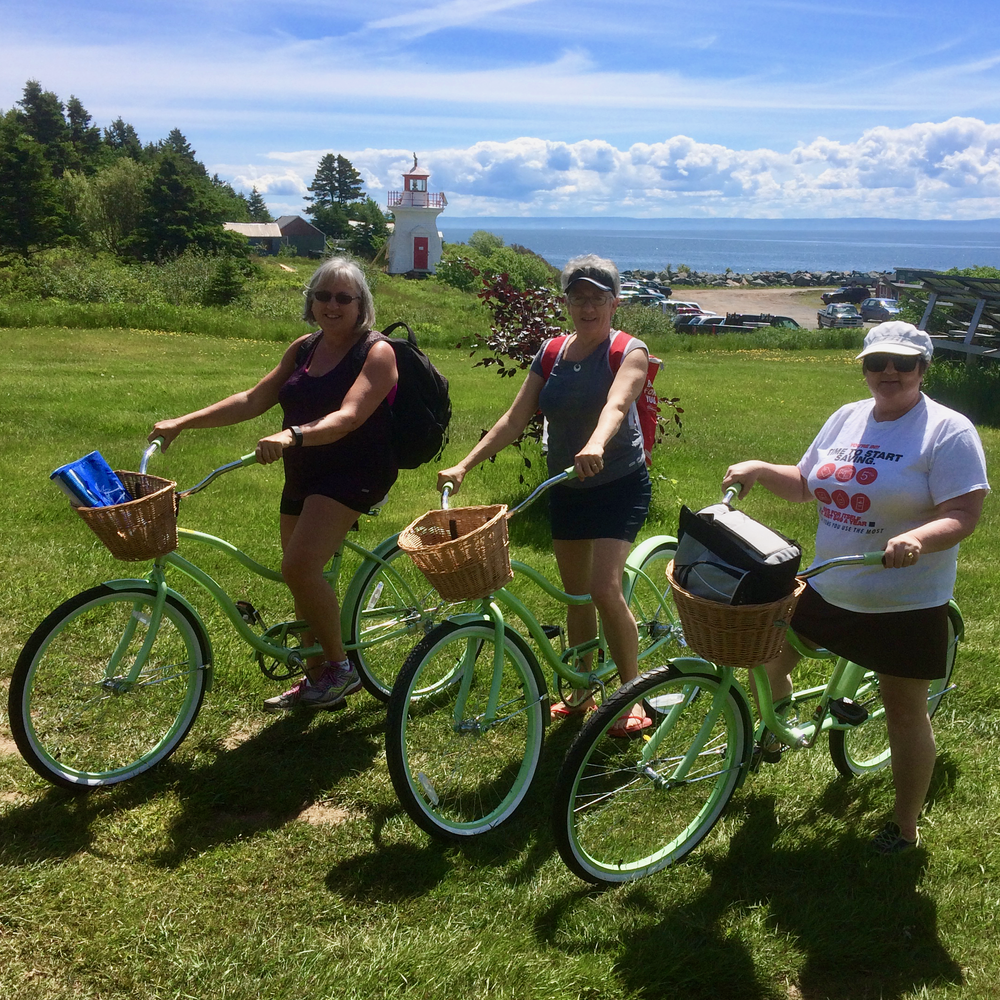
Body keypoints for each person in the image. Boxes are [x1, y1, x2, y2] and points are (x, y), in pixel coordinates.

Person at [723, 321, 989, 854]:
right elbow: (804, 483)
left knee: (903, 710)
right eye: (877, 362)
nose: (889, 372)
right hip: (829, 583)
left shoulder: (947, 430)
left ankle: (905, 827)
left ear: (922, 369)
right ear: (864, 367)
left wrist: (916, 537)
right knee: (770, 656)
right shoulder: (847, 417)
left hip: (904, 601)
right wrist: (757, 469)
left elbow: (964, 512)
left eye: (903, 363)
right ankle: (778, 730)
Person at [149, 256, 398, 712]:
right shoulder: (304, 348)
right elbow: (252, 399)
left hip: (355, 470)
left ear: (362, 304)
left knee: (299, 568)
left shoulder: (377, 352)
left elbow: (349, 417)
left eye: (344, 297)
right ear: (311, 301)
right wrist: (182, 422)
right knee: (303, 576)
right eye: (322, 295)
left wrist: (291, 434)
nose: (332, 304)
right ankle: (317, 676)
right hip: (304, 467)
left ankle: (342, 671)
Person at [437, 254, 653, 738]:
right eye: (578, 297)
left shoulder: (628, 350)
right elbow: (514, 419)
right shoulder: (552, 352)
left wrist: (596, 443)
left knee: (603, 589)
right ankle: (581, 691)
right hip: (567, 488)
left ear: (614, 302)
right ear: (567, 302)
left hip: (618, 483)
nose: (587, 307)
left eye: (598, 298)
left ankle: (632, 692)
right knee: (577, 596)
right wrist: (465, 464)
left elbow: (618, 404)